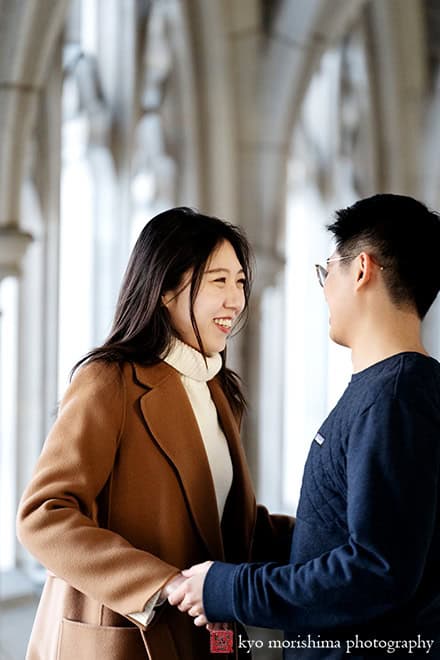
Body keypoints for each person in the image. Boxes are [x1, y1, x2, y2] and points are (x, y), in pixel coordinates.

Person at [169, 194, 440, 658]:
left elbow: (376, 570)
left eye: (326, 270)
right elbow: (355, 535)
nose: (324, 287)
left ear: (361, 270)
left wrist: (229, 588)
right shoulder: (395, 390)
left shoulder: (393, 399)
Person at [16, 207, 294, 660]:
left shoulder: (218, 388)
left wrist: (332, 536)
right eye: (218, 281)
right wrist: (162, 582)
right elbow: (43, 516)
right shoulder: (110, 381)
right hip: (124, 637)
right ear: (166, 290)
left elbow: (225, 526)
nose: (236, 300)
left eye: (240, 282)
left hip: (208, 638)